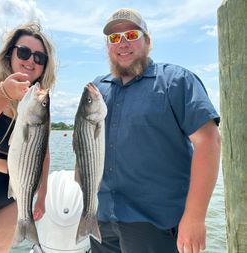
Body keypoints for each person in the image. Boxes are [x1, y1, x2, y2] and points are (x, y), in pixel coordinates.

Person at [89, 8, 221, 253]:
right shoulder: (97, 89)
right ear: (108, 46)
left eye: (131, 34)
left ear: (147, 40)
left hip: (155, 223)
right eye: (114, 38)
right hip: (103, 220)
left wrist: (195, 217)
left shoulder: (176, 80)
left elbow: (209, 142)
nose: (123, 43)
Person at [0, 22, 56, 252]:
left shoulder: (37, 101)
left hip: (12, 198)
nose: (31, 60)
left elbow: (44, 152)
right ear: (10, 53)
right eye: (23, 52)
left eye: (39, 58)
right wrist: (3, 94)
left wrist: (42, 196)